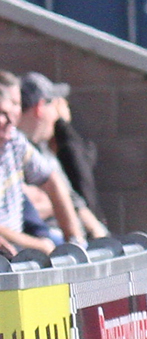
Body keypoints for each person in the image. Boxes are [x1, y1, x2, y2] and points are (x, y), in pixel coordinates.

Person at [0, 70, 84, 254]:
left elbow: (51, 181)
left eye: (15, 108)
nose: (10, 121)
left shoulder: (14, 141)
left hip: (18, 259)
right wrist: (40, 245)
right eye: (2, 113)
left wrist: (74, 241)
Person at [18, 72, 109, 239]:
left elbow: (72, 197)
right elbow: (29, 204)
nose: (58, 114)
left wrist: (99, 233)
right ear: (40, 107)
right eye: (54, 105)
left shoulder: (42, 148)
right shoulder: (12, 146)